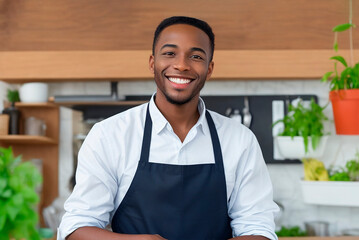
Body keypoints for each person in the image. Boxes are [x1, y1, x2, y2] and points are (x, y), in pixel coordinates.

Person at [58, 16, 279, 240]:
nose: (182, 65)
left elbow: (258, 229)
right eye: (170, 53)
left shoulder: (239, 139)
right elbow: (76, 227)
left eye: (195, 56)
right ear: (152, 62)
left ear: (209, 69)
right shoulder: (109, 135)